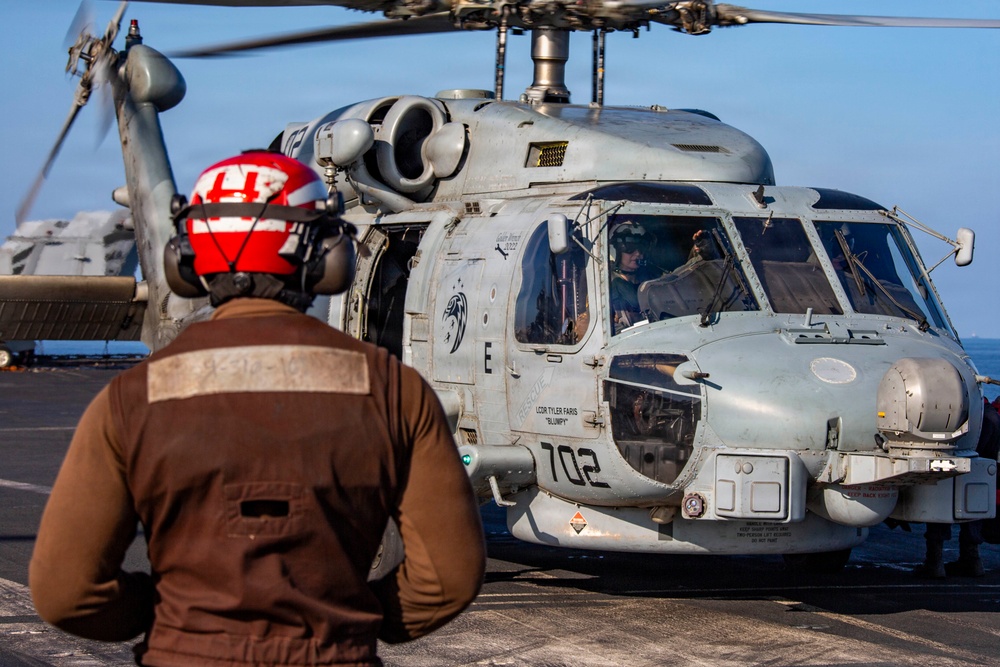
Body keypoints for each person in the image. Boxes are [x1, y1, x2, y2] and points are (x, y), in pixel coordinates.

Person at [29, 151, 486, 666]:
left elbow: (66, 591)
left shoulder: (131, 400)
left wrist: (170, 619)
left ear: (187, 258)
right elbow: (449, 576)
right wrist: (349, 621)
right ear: (324, 256)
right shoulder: (394, 391)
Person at [916, 396, 1000, 578]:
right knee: (973, 515)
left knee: (939, 508)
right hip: (981, 475)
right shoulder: (993, 416)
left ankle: (934, 562)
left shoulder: (973, 415)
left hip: (953, 469)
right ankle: (972, 561)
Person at [609, 220, 661, 332]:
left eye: (641, 248)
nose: (637, 253)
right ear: (616, 250)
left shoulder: (652, 278)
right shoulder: (605, 283)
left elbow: (676, 278)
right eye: (629, 248)